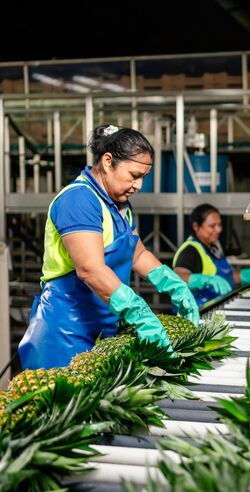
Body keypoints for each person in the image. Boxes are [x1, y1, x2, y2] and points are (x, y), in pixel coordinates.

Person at [19, 124, 199, 370]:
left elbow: (138, 254)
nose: (138, 185)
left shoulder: (120, 204)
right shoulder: (79, 199)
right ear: (107, 161)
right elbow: (90, 270)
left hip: (103, 327)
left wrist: (173, 284)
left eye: (143, 178)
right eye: (134, 175)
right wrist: (139, 313)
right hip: (66, 331)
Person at [172, 203, 250, 306]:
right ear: (196, 226)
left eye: (219, 225)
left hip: (216, 309)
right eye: (212, 226)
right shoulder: (190, 250)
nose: (218, 230)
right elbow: (178, 276)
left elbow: (225, 277)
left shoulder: (212, 247)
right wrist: (205, 280)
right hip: (197, 314)